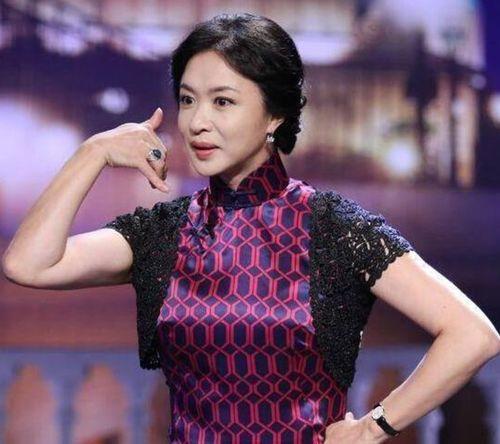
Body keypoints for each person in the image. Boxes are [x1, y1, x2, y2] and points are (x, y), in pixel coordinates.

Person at [2, 12, 499, 444]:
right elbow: (29, 265)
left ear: (274, 115)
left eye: (222, 101)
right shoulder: (163, 233)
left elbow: (473, 334)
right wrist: (91, 153)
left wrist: (374, 427)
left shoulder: (332, 228)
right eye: (188, 100)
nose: (197, 122)